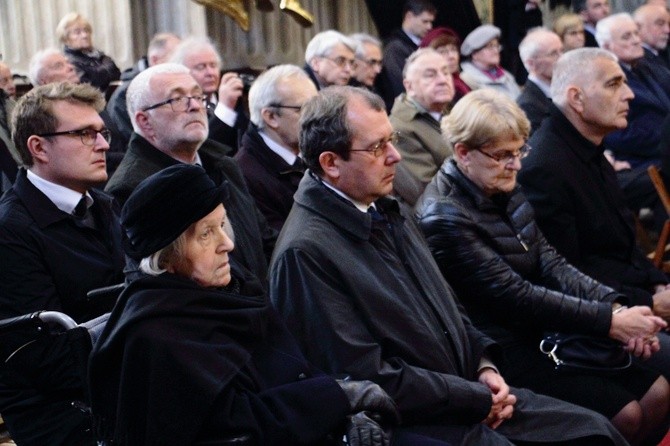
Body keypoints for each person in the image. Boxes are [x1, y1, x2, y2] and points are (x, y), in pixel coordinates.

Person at [269, 85, 628, 446]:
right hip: (416, 420)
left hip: (464, 390)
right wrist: (473, 397)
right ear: (331, 163)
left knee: (596, 431)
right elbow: (366, 377)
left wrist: (484, 366)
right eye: (378, 147)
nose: (395, 156)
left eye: (391, 140)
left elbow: (448, 305)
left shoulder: (386, 207)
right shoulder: (305, 253)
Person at [415, 88, 670, 444]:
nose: (516, 165)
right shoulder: (444, 216)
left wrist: (617, 308)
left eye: (520, 151)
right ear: (462, 153)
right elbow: (514, 295)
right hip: (503, 347)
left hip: (543, 328)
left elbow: (551, 263)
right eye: (503, 155)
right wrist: (609, 323)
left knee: (658, 392)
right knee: (625, 414)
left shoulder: (500, 184)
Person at [90, 163, 407, 446]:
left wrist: (349, 416)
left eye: (223, 224)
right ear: (168, 257)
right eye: (206, 234)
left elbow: (296, 371)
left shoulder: (234, 289)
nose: (227, 243)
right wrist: (340, 400)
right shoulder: (157, 334)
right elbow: (238, 424)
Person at [518, 49, 670, 377]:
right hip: (593, 318)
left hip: (629, 296)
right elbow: (566, 271)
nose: (629, 95)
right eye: (614, 84)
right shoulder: (545, 166)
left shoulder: (590, 147)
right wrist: (647, 302)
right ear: (577, 97)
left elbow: (626, 247)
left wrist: (659, 285)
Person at [0, 82, 124, 445]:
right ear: (38, 147)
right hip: (67, 420)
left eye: (102, 132)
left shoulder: (103, 205)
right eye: (85, 134)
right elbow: (45, 361)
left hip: (115, 392)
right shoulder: (10, 231)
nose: (103, 145)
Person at [105, 63, 275, 284]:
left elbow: (264, 242)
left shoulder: (224, 165)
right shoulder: (131, 188)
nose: (195, 105)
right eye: (176, 99)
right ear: (144, 121)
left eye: (198, 96)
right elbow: (158, 282)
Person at [235, 64, 317, 232]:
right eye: (304, 109)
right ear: (271, 117)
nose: (315, 117)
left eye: (317, 107)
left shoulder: (316, 154)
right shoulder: (245, 175)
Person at [389, 48, 454, 206]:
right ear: (409, 86)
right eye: (430, 75)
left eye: (446, 72)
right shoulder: (400, 128)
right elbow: (426, 194)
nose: (442, 80)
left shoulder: (449, 114)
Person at [170, 36, 249, 154]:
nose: (210, 73)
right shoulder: (177, 108)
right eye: (201, 67)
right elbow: (202, 152)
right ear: (182, 73)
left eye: (213, 65)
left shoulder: (236, 98)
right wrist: (225, 109)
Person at [106, 32, 181, 149]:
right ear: (155, 60)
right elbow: (136, 144)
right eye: (177, 58)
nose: (181, 65)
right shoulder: (126, 94)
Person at [378, 0, 437, 111]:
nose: (430, 27)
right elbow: (398, 85)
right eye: (425, 21)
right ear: (409, 16)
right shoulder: (394, 48)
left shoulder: (416, 45)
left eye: (431, 22)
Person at [56, 12, 120, 91]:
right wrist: (106, 70)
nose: (84, 35)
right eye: (77, 32)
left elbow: (117, 75)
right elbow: (92, 82)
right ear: (66, 38)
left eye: (86, 30)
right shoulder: (69, 62)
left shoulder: (99, 55)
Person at [517, 28, 563, 135]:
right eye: (553, 53)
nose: (562, 58)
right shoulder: (528, 106)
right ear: (531, 63)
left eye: (561, 50)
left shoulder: (565, 88)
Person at [459, 24, 521, 99]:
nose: (496, 51)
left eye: (497, 45)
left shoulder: (506, 75)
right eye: (490, 46)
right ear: (475, 54)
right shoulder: (468, 80)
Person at [419, 26, 471, 103]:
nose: (451, 56)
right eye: (442, 52)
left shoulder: (463, 82)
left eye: (453, 49)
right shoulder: (436, 90)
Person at [634, 3, 670, 71]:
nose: (667, 30)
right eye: (660, 23)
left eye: (668, 24)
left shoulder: (663, 53)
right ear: (638, 27)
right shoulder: (637, 62)